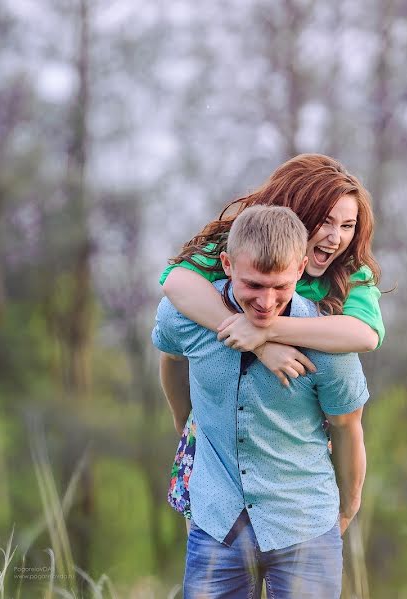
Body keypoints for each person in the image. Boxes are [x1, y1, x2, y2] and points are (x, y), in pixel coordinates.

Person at [153, 205, 368, 597]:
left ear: (301, 269)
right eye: (253, 285)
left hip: (304, 523)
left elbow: (348, 425)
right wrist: (186, 423)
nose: (266, 303)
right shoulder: (183, 317)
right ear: (227, 264)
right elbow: (170, 358)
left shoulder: (330, 348)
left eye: (280, 287)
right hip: (216, 522)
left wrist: (348, 507)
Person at [158, 153, 384, 521]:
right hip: (220, 429)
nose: (335, 237)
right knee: (211, 544)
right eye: (325, 221)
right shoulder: (246, 244)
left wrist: (266, 330)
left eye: (347, 225)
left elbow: (365, 334)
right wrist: (260, 345)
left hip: (295, 440)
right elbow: (175, 281)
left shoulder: (349, 274)